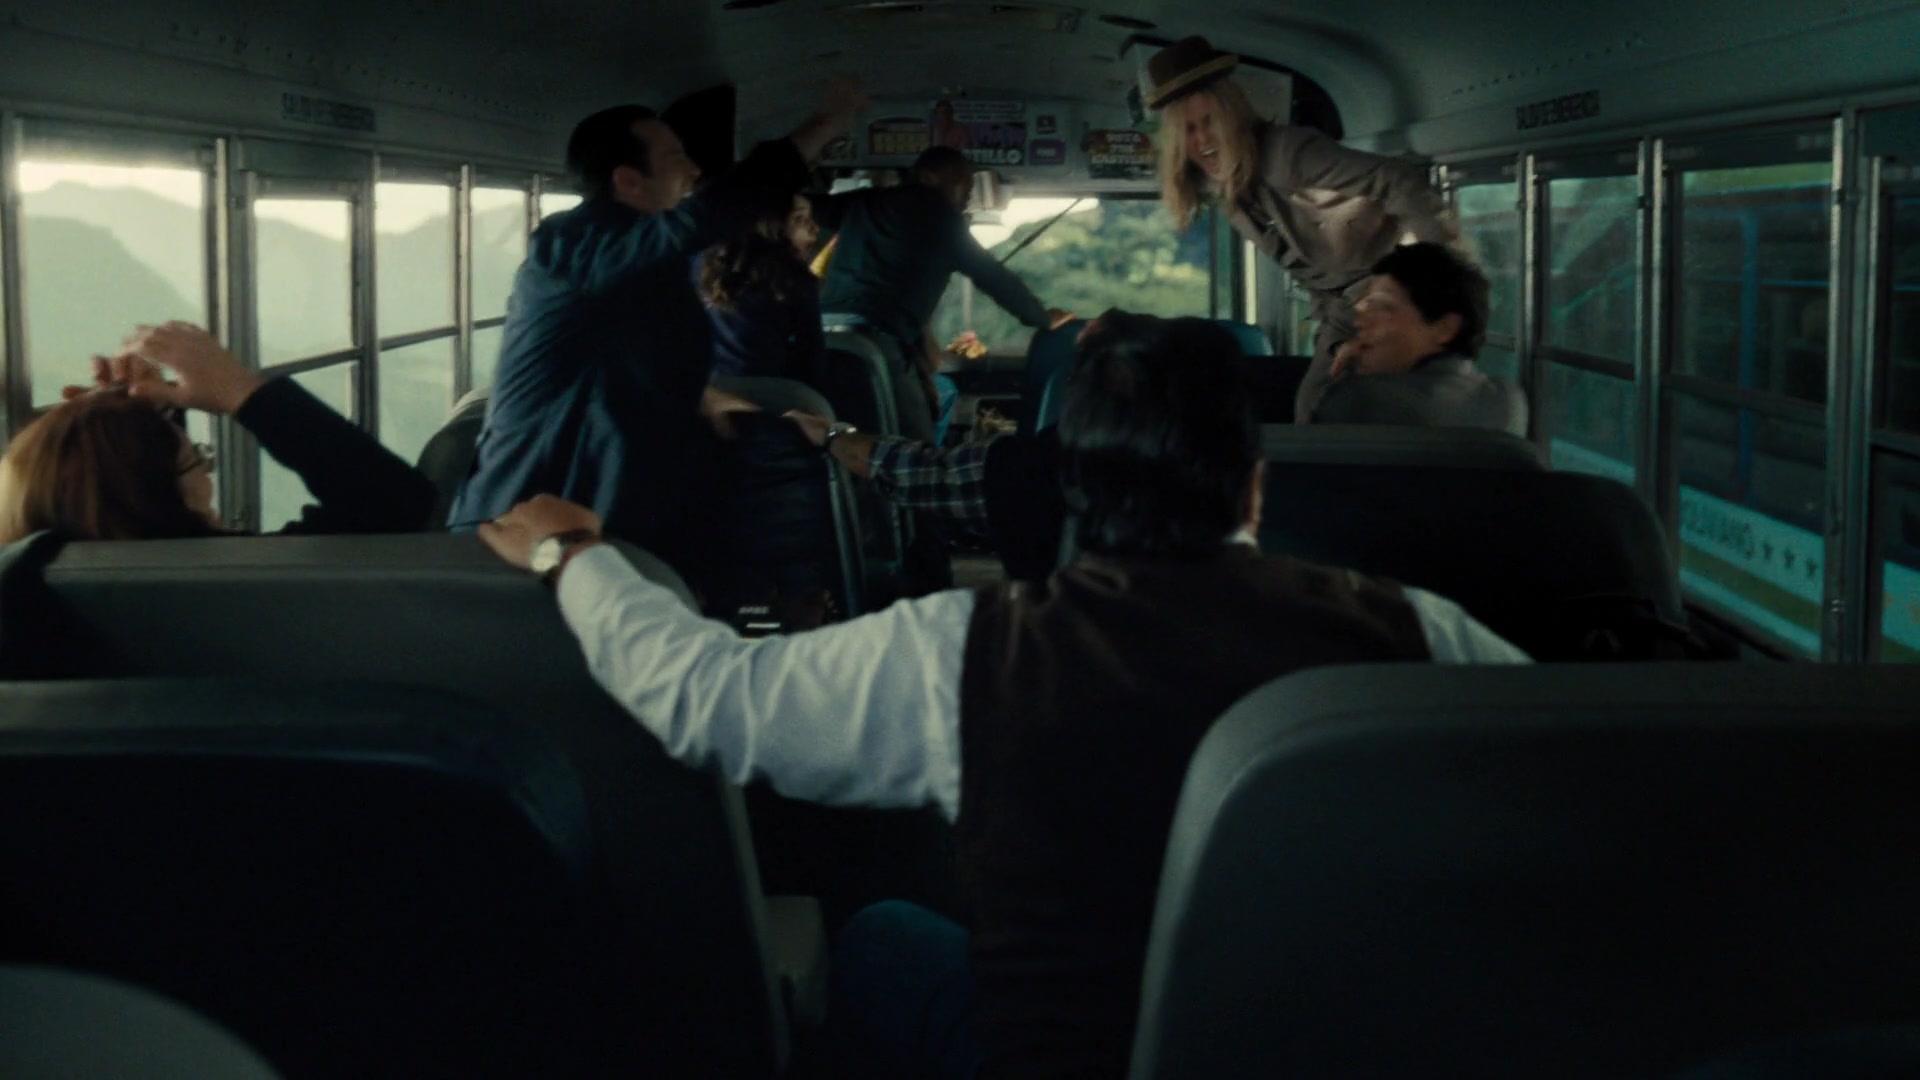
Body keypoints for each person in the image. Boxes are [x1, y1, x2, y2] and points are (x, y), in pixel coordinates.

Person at [477, 311, 1528, 1078]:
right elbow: (1565, 771)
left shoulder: (969, 648)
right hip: (1346, 1049)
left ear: (1070, 485)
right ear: (1255, 485)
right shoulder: (1419, 631)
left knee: (881, 936)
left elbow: (704, 697)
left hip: (1069, 1055)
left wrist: (575, 556)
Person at [446, 80, 865, 579]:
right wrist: (823, 127)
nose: (693, 170)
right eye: (675, 157)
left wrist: (703, 395)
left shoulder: (635, 259)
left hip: (596, 511)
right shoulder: (573, 244)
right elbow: (701, 219)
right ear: (629, 181)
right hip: (528, 527)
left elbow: (608, 354)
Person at [1149, 35, 1458, 422]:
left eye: (1210, 122)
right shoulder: (1220, 185)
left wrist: (1445, 280)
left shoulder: (1289, 153)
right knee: (1313, 410)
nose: (1203, 141)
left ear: (1233, 116)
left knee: (1365, 410)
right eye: (1189, 130)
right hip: (1340, 312)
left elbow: (1400, 180)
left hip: (1388, 296)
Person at [0, 322, 435, 542]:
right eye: (200, 461)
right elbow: (399, 504)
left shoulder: (26, 604)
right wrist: (242, 393)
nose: (208, 474)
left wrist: (132, 427)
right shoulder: (243, 589)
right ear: (165, 497)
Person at [813, 145, 1072, 441]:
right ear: (927, 177)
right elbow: (992, 277)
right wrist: (1041, 318)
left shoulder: (864, 202)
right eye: (961, 182)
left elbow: (807, 208)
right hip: (879, 340)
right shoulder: (940, 217)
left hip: (825, 337)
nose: (967, 194)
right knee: (915, 445)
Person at [1310, 242, 1528, 435]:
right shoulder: (1507, 402)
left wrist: (1341, 378)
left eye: (1384, 308)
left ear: (1444, 328)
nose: (1360, 322)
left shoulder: (1356, 400)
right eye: (1367, 307)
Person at [699, 192, 827, 382]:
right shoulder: (794, 279)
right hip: (766, 391)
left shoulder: (703, 266)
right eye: (800, 219)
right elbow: (811, 357)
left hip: (705, 388)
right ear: (772, 226)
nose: (815, 228)